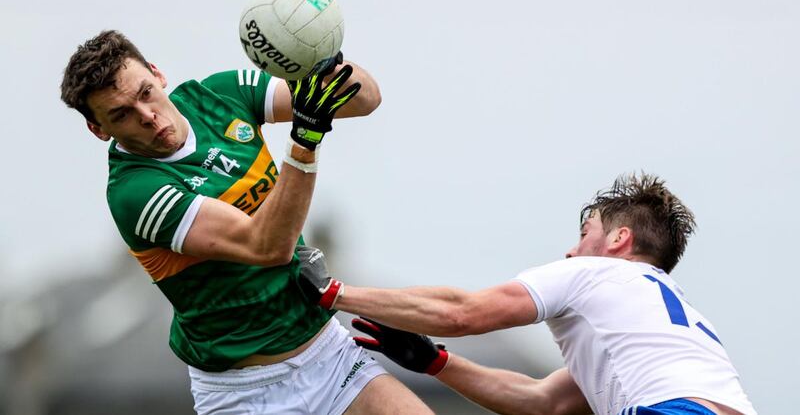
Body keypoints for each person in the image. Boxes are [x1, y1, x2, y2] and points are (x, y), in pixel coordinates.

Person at [59, 30, 432, 414]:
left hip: (329, 355)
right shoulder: (135, 191)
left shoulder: (221, 95)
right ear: (99, 129)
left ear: (158, 74)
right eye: (122, 114)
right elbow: (267, 247)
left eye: (145, 93)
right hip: (245, 393)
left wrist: (324, 62)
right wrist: (304, 139)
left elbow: (365, 100)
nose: (148, 117)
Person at [297, 173, 757, 415]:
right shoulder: (661, 325)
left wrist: (332, 292)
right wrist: (435, 362)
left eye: (585, 232)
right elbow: (544, 402)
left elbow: (464, 314)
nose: (571, 250)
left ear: (618, 241)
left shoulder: (594, 273)